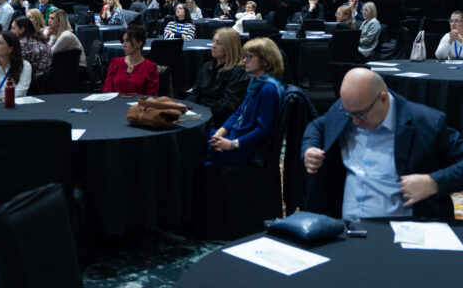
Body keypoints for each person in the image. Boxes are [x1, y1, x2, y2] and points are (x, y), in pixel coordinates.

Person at [302, 68, 463, 220]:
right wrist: (310, 147)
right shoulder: (349, 108)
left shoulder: (427, 123)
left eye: (361, 114)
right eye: (350, 113)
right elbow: (317, 125)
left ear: (383, 99)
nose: (355, 121)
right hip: (343, 225)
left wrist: (434, 182)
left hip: (401, 229)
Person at [205, 37, 285, 166]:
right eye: (245, 56)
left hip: (245, 149)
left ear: (265, 60)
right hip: (236, 136)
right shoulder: (256, 83)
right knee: (197, 136)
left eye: (249, 57)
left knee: (193, 148)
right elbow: (238, 113)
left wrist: (232, 144)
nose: (244, 61)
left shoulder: (268, 89)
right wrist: (220, 133)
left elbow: (263, 130)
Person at [187, 28, 249, 127]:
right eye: (213, 41)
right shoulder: (206, 67)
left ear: (230, 47)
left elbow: (228, 105)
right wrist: (184, 109)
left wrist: (199, 114)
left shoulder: (239, 72)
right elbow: (195, 94)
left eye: (219, 43)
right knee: (169, 119)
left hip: (219, 122)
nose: (213, 45)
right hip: (198, 115)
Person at [102, 25, 158, 96]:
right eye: (123, 41)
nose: (123, 45)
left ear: (139, 43)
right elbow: (106, 91)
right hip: (114, 102)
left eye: (128, 41)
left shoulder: (150, 68)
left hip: (139, 102)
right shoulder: (115, 63)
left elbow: (151, 97)